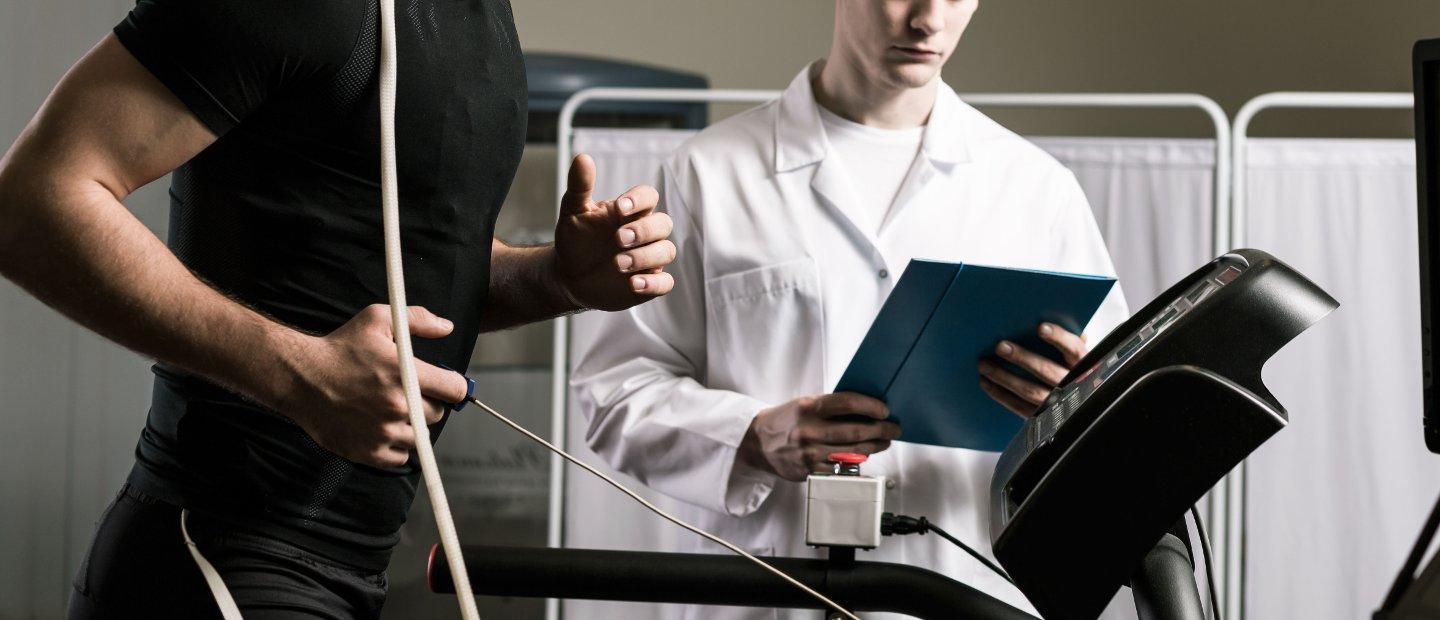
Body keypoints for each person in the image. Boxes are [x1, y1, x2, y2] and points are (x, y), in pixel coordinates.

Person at [0, 0, 677, 617]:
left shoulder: (480, 18)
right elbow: (30, 203)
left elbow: (406, 267)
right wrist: (300, 371)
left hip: (353, 566)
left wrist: (557, 280)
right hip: (222, 555)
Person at [570, 0, 1129, 617]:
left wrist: (1069, 408)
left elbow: (1119, 436)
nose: (929, 20)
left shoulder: (1036, 191)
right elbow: (614, 391)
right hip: (771, 599)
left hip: (968, 596)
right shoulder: (708, 175)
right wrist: (754, 438)